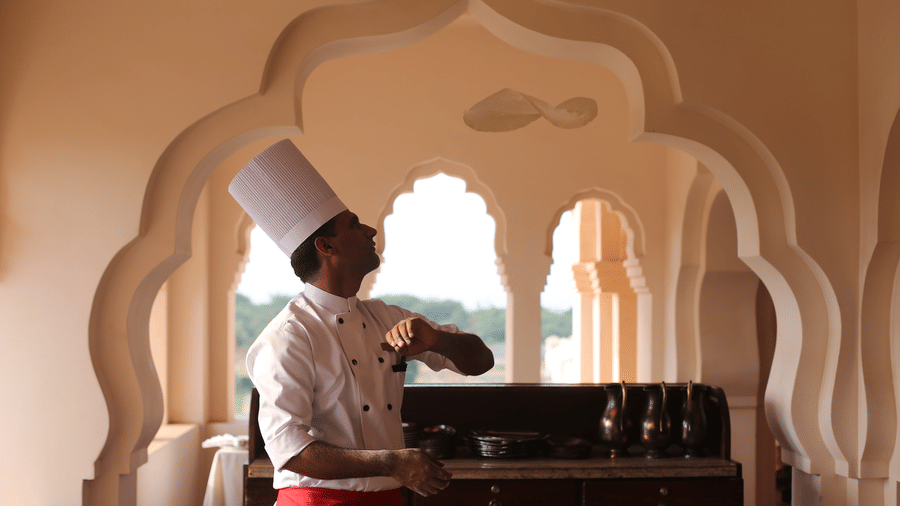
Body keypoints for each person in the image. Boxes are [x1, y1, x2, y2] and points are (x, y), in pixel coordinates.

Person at [229, 139, 495, 506]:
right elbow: (288, 450)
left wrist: (438, 341)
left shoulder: (387, 317)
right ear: (327, 247)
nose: (370, 230)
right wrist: (389, 461)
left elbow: (482, 362)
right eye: (353, 225)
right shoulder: (288, 336)